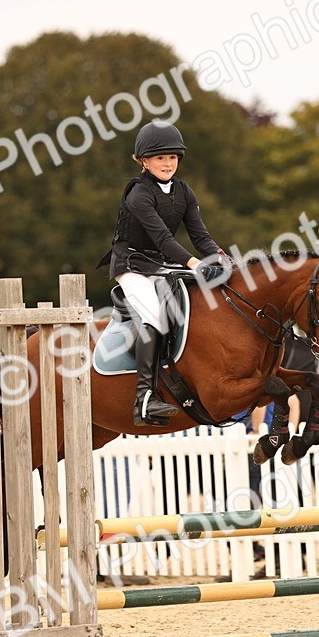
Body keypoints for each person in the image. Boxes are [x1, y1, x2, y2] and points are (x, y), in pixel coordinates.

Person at [101, 120, 230, 426]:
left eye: (172, 157)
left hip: (161, 264)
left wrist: (222, 257)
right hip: (131, 265)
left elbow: (200, 236)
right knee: (153, 318)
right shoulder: (137, 194)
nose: (168, 163)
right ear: (143, 161)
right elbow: (163, 238)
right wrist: (196, 265)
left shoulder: (184, 192)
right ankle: (143, 399)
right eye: (160, 158)